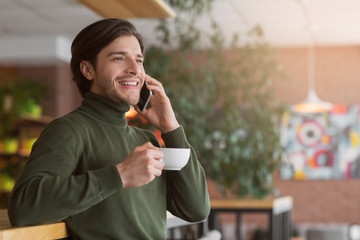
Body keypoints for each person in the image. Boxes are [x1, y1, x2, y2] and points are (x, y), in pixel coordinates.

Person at [7, 18, 210, 239]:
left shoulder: (147, 140)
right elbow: (23, 208)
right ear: (88, 69)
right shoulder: (69, 130)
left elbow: (196, 210)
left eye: (139, 60)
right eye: (119, 58)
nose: (134, 69)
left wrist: (171, 129)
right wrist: (119, 175)